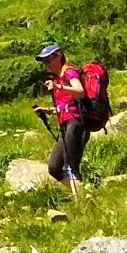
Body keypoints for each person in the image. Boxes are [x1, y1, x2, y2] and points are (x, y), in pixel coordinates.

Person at [32, 42, 97, 197]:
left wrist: (58, 87)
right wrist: (47, 110)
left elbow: (80, 92)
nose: (46, 64)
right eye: (44, 61)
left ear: (59, 56)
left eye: (49, 60)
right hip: (67, 125)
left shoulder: (69, 72)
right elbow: (66, 106)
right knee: (54, 167)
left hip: (76, 124)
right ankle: (84, 193)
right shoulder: (60, 77)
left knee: (70, 166)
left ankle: (83, 201)